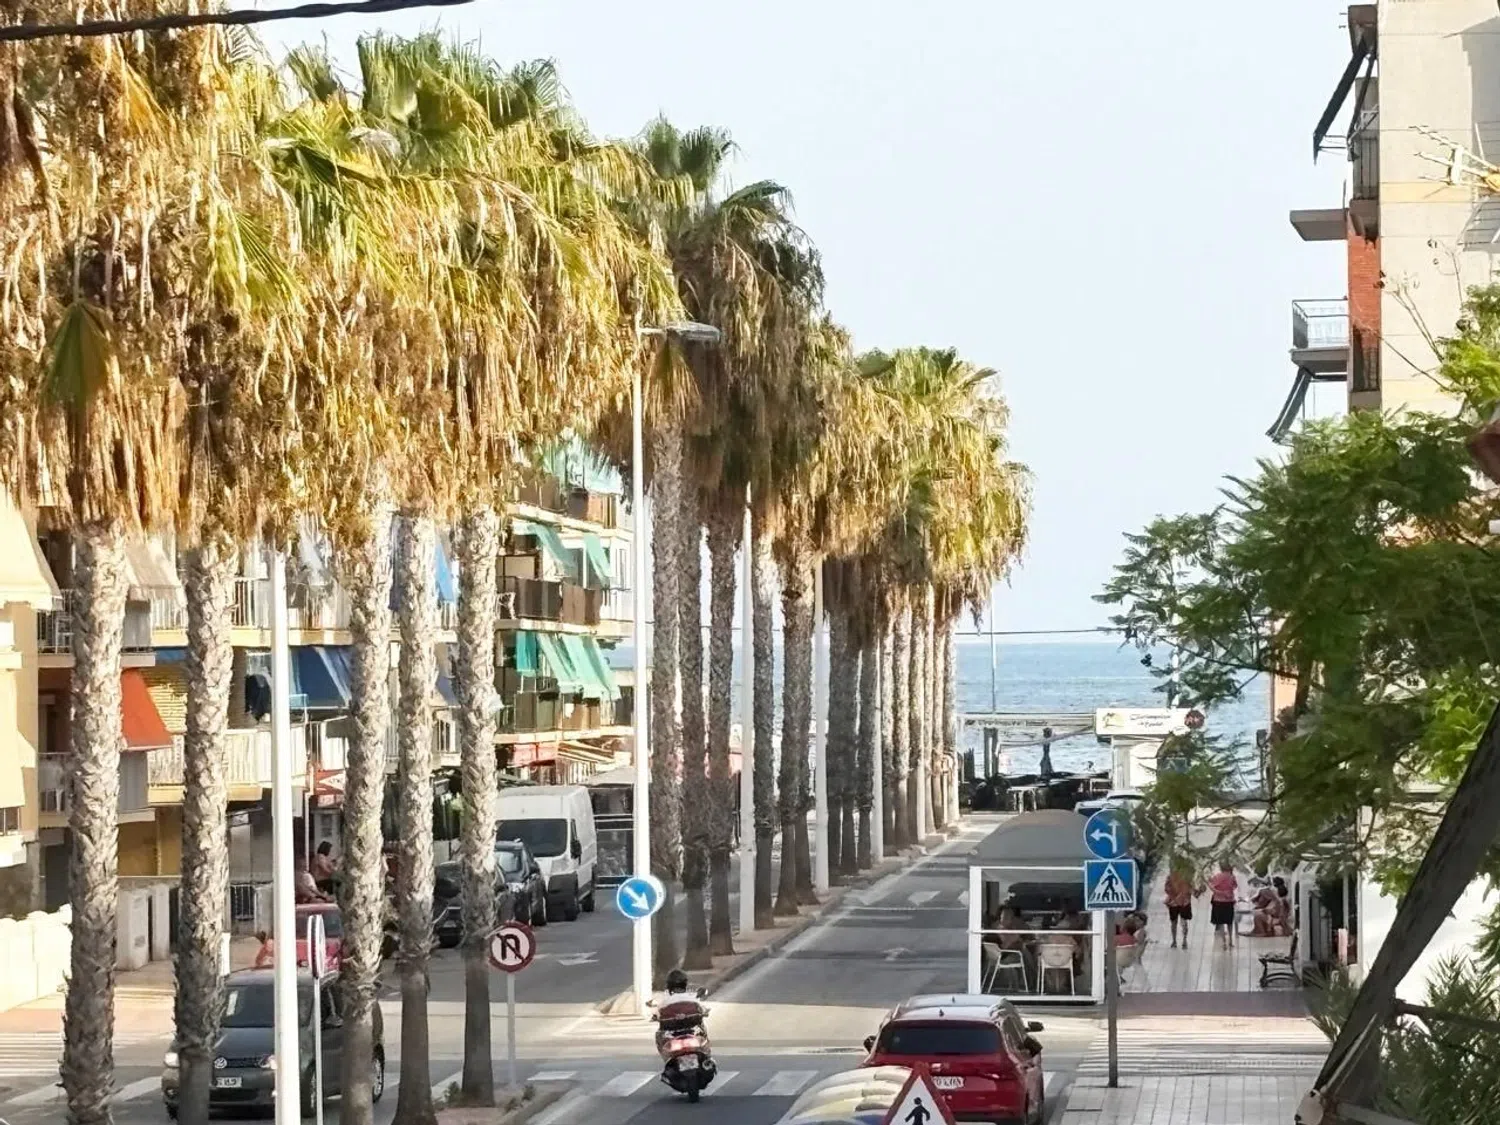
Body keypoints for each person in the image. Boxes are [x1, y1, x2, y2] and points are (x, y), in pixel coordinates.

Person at [1163, 864, 1199, 950]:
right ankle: (1184, 941)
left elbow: (1167, 889)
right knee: (1184, 922)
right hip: (1184, 903)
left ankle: (1174, 941)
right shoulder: (1187, 878)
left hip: (1174, 903)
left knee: (1173, 922)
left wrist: (1173, 897)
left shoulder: (1170, 877)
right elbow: (1193, 891)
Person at [1208, 860, 1239, 950]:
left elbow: (1212, 886)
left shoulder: (1217, 876)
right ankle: (1231, 941)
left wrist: (1219, 892)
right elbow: (1235, 886)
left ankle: (1224, 941)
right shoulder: (1232, 877)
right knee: (1229, 922)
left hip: (1218, 901)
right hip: (1229, 901)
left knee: (1221, 922)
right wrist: (1228, 892)